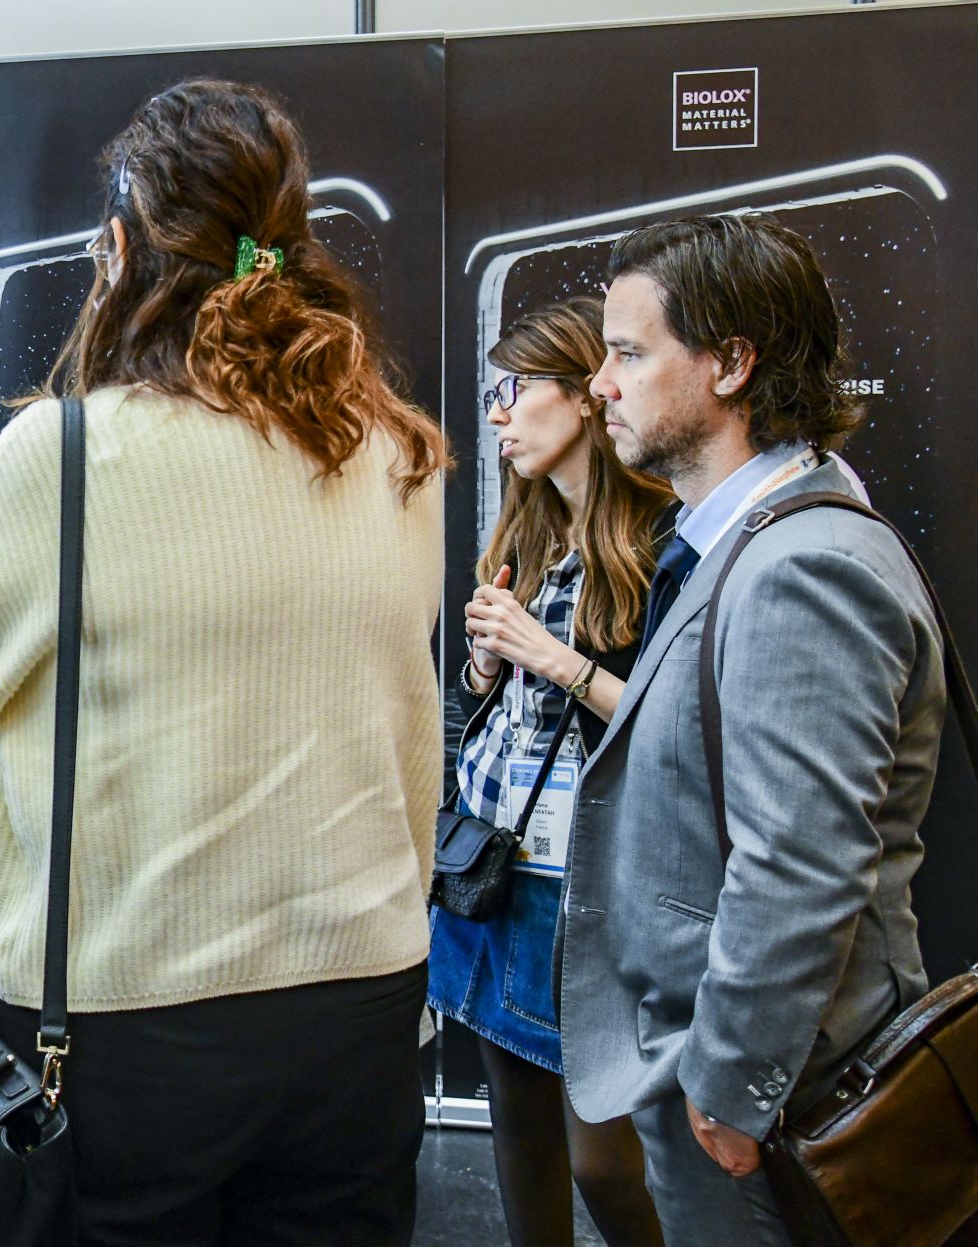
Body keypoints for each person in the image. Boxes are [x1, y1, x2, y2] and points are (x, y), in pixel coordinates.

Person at [0, 79, 448, 1246]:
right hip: (359, 1001)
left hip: (126, 1016)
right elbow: (401, 715)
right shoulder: (396, 449)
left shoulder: (63, 453)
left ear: (117, 248)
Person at [559, 213, 943, 1244]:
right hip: (724, 1077)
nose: (599, 384)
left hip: (771, 1102)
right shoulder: (749, 541)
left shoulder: (800, 567)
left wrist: (731, 1085)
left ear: (730, 363)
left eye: (628, 353)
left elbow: (800, 862)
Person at [438, 296, 670, 1247]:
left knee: (602, 1157)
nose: (497, 412)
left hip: (591, 884)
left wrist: (550, 654)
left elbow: (676, 724)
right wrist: (484, 664)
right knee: (515, 1119)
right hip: (498, 864)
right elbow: (481, 707)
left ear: (584, 393)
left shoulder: (662, 539)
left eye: (514, 386)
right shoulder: (529, 532)